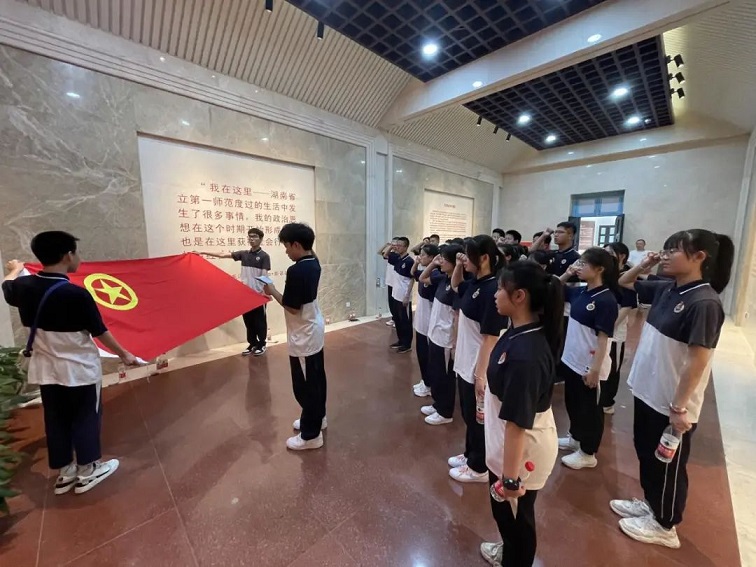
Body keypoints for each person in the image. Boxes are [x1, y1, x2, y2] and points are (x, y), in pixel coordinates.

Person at [611, 229, 733, 549]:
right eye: (663, 250)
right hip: (648, 390)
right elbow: (623, 282)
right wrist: (644, 265)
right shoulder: (668, 287)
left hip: (671, 401)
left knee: (668, 464)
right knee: (646, 452)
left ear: (699, 257)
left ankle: (665, 525)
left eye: (672, 251)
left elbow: (697, 360)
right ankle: (653, 504)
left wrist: (679, 407)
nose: (664, 256)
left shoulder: (704, 302)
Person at [2, 231, 138, 495]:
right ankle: (88, 470)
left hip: (46, 370)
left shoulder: (23, 287)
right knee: (86, 417)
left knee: (56, 419)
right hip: (79, 369)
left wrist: (15, 269)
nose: (79, 258)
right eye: (77, 252)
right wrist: (125, 354)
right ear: (68, 256)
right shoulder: (76, 294)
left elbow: (6, 286)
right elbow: (100, 332)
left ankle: (65, 473)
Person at [479, 261, 564, 567]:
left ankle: (516, 560)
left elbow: (517, 422)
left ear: (519, 296)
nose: (495, 295)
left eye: (500, 289)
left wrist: (511, 480)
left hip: (520, 450)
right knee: (508, 518)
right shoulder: (519, 331)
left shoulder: (526, 355)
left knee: (517, 520)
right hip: (508, 443)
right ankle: (510, 552)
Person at [448, 236, 508, 483]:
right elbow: (455, 285)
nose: (464, 258)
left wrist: (480, 375)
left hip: (478, 364)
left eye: (468, 254)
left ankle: (479, 467)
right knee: (468, 413)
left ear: (483, 258)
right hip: (465, 361)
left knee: (479, 419)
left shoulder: (492, 290)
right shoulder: (475, 282)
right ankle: (469, 454)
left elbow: (490, 338)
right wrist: (459, 265)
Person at [262, 223, 327, 451]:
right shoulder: (314, 262)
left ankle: (311, 435)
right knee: (316, 379)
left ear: (297, 245)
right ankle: (318, 417)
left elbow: (291, 307)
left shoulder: (296, 270)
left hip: (304, 334)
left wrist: (271, 290)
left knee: (305, 386)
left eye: (287, 246)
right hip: (312, 328)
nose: (286, 251)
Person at [557, 247, 619, 470]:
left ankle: (588, 452)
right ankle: (575, 437)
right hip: (572, 359)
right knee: (573, 402)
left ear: (599, 269)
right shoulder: (581, 292)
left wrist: (595, 369)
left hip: (589, 365)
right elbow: (555, 287)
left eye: (584, 264)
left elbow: (603, 339)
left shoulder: (606, 300)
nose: (579, 267)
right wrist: (567, 273)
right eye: (579, 263)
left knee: (590, 409)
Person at [202, 228, 271, 356]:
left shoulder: (264, 256)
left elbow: (265, 275)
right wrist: (202, 252)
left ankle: (262, 344)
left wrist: (267, 291)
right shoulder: (244, 254)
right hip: (245, 295)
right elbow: (223, 254)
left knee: (259, 321)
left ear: (261, 239)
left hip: (258, 295)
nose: (251, 239)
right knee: (248, 321)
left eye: (255, 236)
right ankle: (252, 343)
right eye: (250, 236)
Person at [420, 244, 463, 426]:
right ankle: (438, 404)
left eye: (445, 258)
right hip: (434, 335)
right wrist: (433, 263)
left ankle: (445, 412)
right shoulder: (442, 278)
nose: (441, 261)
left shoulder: (457, 286)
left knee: (445, 377)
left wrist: (455, 344)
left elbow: (457, 316)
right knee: (436, 373)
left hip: (446, 339)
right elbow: (422, 278)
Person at [601, 242, 637, 414]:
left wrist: (610, 326)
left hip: (615, 331)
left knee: (612, 367)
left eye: (609, 253)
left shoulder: (627, 277)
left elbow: (627, 306)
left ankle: (607, 402)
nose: (606, 255)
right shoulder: (605, 275)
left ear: (621, 256)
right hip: (601, 329)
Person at [411, 243, 443, 398]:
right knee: (421, 353)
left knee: (426, 355)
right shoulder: (426, 270)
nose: (420, 257)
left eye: (423, 255)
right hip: (421, 321)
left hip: (428, 322)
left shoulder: (435, 275)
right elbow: (414, 274)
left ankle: (429, 384)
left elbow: (422, 279)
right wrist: (418, 262)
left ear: (432, 258)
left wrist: (432, 264)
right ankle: (425, 381)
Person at [390, 237, 415, 354]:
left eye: (400, 246)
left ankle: (407, 344)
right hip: (396, 293)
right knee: (398, 319)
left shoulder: (409, 261)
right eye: (397, 245)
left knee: (405, 320)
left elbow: (412, 279)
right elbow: (385, 254)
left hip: (404, 295)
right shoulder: (398, 258)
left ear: (406, 247)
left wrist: (407, 296)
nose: (397, 247)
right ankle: (400, 340)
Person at [379, 239, 399, 328]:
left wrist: (391, 247)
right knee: (391, 302)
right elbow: (380, 252)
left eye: (395, 243)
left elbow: (385, 255)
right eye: (392, 242)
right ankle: (394, 318)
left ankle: (397, 320)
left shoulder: (398, 256)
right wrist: (386, 245)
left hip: (396, 282)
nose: (393, 244)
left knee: (396, 302)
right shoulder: (391, 254)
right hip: (389, 281)